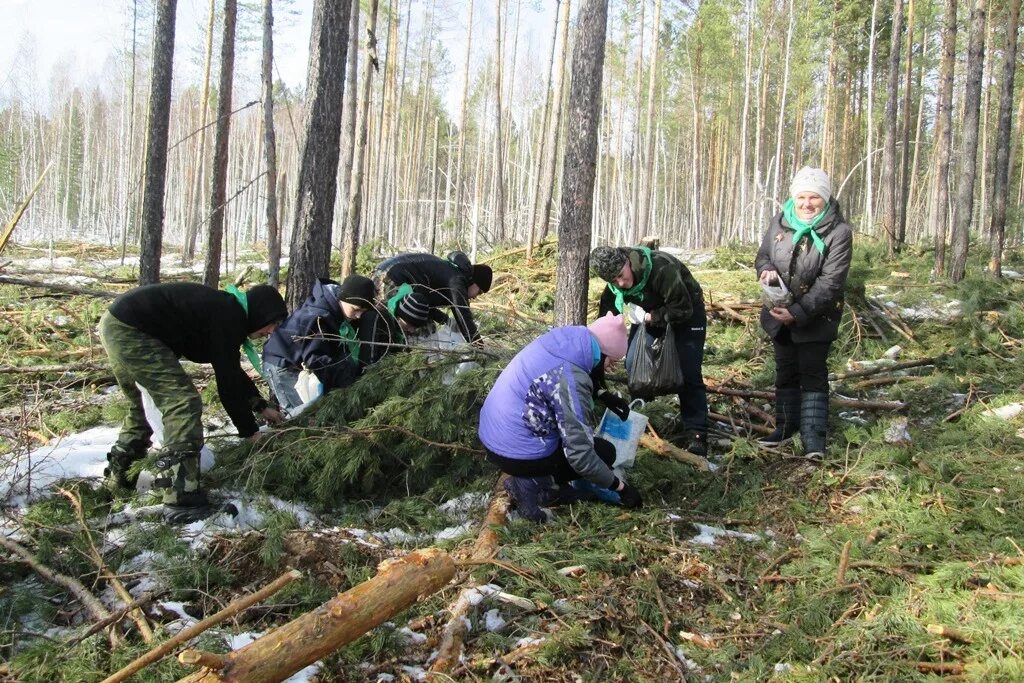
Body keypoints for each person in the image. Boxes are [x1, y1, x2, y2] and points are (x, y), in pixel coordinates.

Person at [98, 282, 287, 522]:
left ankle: (120, 478)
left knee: (141, 407)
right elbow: (227, 384)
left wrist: (260, 406)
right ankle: (182, 501)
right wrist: (250, 432)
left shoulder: (228, 311)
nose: (271, 331)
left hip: (117, 324)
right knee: (182, 402)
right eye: (272, 323)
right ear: (261, 312)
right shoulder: (230, 315)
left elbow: (231, 370)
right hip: (132, 330)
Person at [478, 313, 642, 523]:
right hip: (515, 451)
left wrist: (602, 394)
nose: (611, 368)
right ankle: (534, 486)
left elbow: (555, 384)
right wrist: (620, 488)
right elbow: (580, 455)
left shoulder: (566, 340)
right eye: (612, 360)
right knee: (604, 453)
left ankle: (542, 481)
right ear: (601, 354)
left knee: (594, 449)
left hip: (494, 436)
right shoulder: (571, 377)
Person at [754, 166, 853, 458]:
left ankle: (813, 439)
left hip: (815, 318)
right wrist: (767, 270)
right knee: (785, 372)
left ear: (825, 198)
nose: (807, 204)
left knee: (811, 373)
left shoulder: (839, 232)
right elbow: (763, 256)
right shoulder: (780, 221)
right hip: (778, 315)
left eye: (814, 198)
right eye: (801, 197)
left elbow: (831, 282)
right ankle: (785, 429)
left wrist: (797, 312)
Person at [590, 244, 709, 456]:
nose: (620, 283)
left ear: (627, 262)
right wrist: (603, 355)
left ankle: (696, 433)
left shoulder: (661, 269)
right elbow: (606, 321)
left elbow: (683, 308)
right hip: (648, 315)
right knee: (634, 362)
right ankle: (645, 415)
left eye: (621, 275)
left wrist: (653, 316)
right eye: (613, 281)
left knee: (688, 371)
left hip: (687, 313)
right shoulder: (615, 285)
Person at [262, 275, 377, 414]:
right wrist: (345, 384)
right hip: (282, 364)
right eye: (356, 309)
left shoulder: (332, 309)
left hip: (297, 360)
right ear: (343, 298)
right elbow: (317, 359)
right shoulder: (319, 317)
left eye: (362, 312)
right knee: (300, 414)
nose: (358, 316)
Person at [372, 250, 492, 344]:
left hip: (391, 274)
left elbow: (426, 305)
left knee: (427, 329)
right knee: (409, 327)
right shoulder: (457, 279)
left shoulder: (450, 274)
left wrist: (446, 320)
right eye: (479, 292)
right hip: (390, 277)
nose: (476, 297)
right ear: (474, 282)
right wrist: (479, 346)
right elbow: (463, 316)